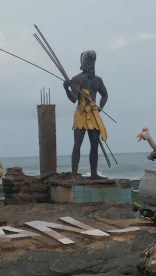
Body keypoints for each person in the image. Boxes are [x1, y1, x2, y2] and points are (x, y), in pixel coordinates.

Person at [63, 50, 108, 180]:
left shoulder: (98, 80)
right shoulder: (77, 79)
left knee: (94, 143)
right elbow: (73, 98)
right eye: (88, 61)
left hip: (93, 113)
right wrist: (66, 88)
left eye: (92, 61)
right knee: (78, 143)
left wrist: (99, 108)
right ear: (83, 62)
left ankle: (93, 173)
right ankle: (73, 174)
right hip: (81, 113)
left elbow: (105, 95)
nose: (90, 63)